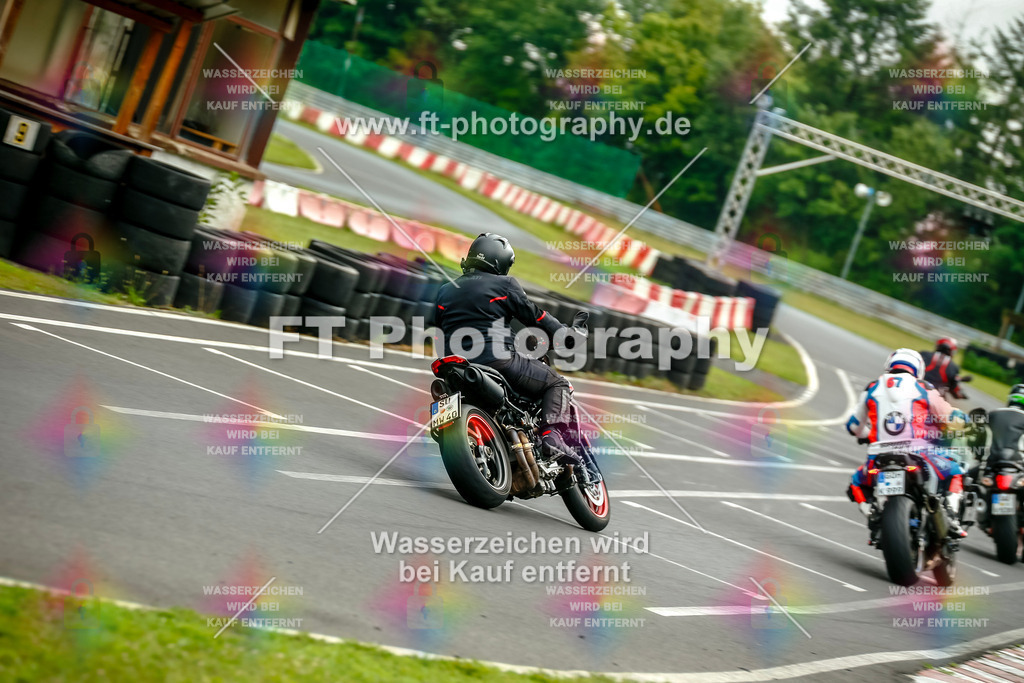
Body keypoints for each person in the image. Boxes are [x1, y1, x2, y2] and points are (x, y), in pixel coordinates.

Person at [435, 233, 589, 465]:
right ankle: (551, 436)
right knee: (558, 383)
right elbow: (537, 317)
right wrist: (568, 336)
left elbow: (440, 331)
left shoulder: (445, 290)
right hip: (496, 361)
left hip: (453, 367)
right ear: (501, 262)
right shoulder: (504, 285)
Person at [846, 348, 968, 539]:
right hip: (918, 454)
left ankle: (872, 513)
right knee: (954, 472)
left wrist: (869, 435)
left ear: (889, 365)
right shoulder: (924, 387)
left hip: (878, 458)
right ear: (918, 369)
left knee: (856, 482)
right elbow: (948, 415)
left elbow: (853, 426)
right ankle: (951, 517)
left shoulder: (872, 387)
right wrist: (963, 419)